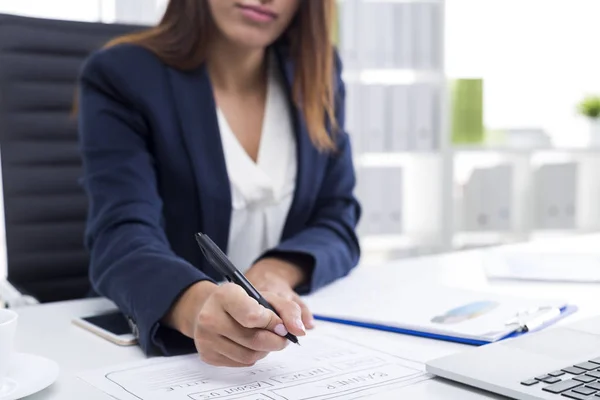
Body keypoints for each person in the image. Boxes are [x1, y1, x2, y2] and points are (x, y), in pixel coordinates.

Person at [78, 0, 360, 367]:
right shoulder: (121, 75)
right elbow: (119, 236)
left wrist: (271, 273)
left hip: (286, 354)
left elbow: (338, 218)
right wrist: (196, 305)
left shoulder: (316, 73)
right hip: (158, 358)